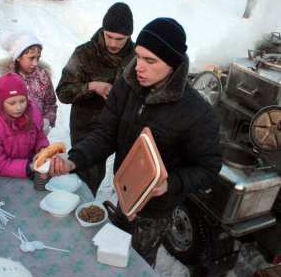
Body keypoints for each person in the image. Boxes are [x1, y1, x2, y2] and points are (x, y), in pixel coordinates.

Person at [46, 17, 222, 267]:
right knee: (113, 252)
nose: (139, 66)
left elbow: (208, 168)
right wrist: (74, 159)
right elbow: (105, 133)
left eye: (150, 61)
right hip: (125, 194)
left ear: (172, 64)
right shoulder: (127, 86)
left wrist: (170, 183)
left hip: (155, 211)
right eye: (138, 56)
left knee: (137, 262)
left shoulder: (197, 114)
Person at [56, 2, 135, 197]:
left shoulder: (136, 57)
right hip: (88, 131)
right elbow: (63, 91)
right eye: (109, 36)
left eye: (120, 39)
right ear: (102, 30)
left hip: (124, 128)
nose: (113, 43)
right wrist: (91, 86)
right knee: (87, 180)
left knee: (129, 179)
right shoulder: (84, 54)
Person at [0, 31, 57, 136]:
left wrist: (47, 120)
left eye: (38, 58)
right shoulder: (1, 83)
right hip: (10, 140)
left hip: (37, 137)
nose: (35, 63)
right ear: (18, 57)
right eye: (31, 58)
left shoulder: (43, 78)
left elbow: (50, 104)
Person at [0, 73, 49, 179]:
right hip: (0, 180)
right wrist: (29, 167)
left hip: (29, 172)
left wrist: (43, 150)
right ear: (1, 103)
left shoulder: (32, 112)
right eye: (12, 103)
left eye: (22, 101)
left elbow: (39, 137)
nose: (19, 107)